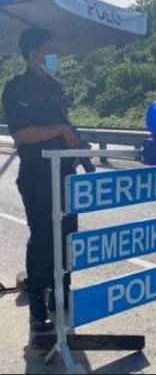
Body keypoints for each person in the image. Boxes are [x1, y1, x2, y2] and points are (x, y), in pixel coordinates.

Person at [1, 28, 79, 332]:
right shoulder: (17, 88)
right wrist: (59, 129)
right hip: (37, 178)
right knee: (44, 239)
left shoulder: (56, 87)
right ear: (34, 54)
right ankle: (37, 307)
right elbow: (22, 135)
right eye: (50, 51)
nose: (54, 58)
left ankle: (63, 295)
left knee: (68, 238)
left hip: (67, 178)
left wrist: (79, 151)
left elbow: (68, 124)